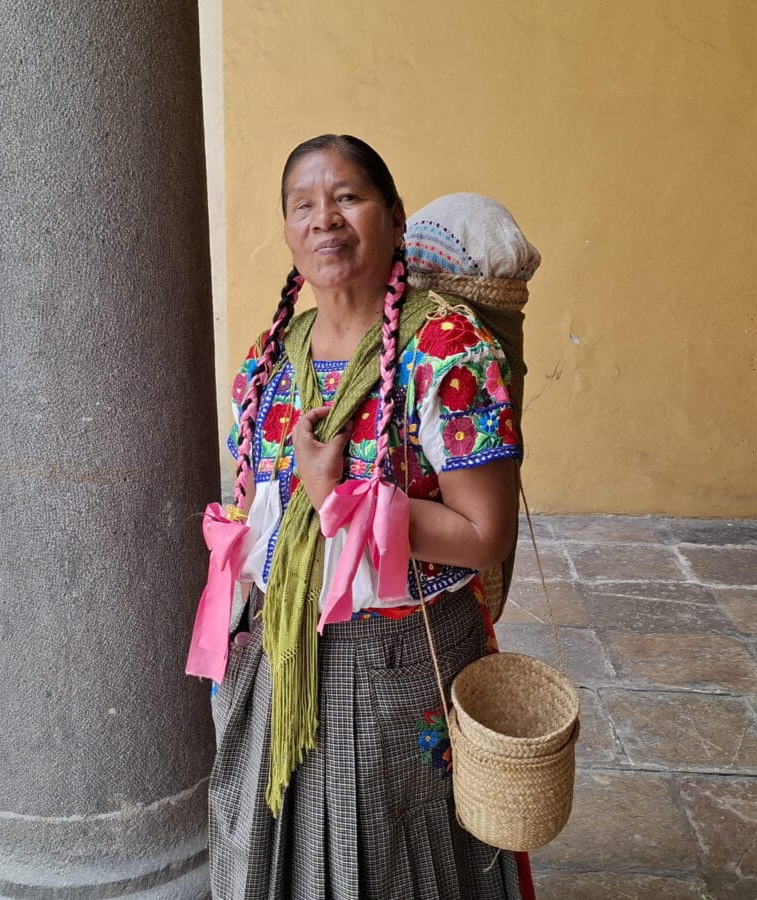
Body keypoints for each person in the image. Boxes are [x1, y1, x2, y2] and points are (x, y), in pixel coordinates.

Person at [202, 134, 538, 899]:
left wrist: (341, 501)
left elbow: (486, 535)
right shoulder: (271, 357)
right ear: (288, 231)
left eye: (347, 197)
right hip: (281, 657)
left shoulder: (447, 353)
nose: (325, 219)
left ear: (394, 216)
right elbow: (257, 499)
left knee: (396, 868)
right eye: (303, 205)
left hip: (399, 665)